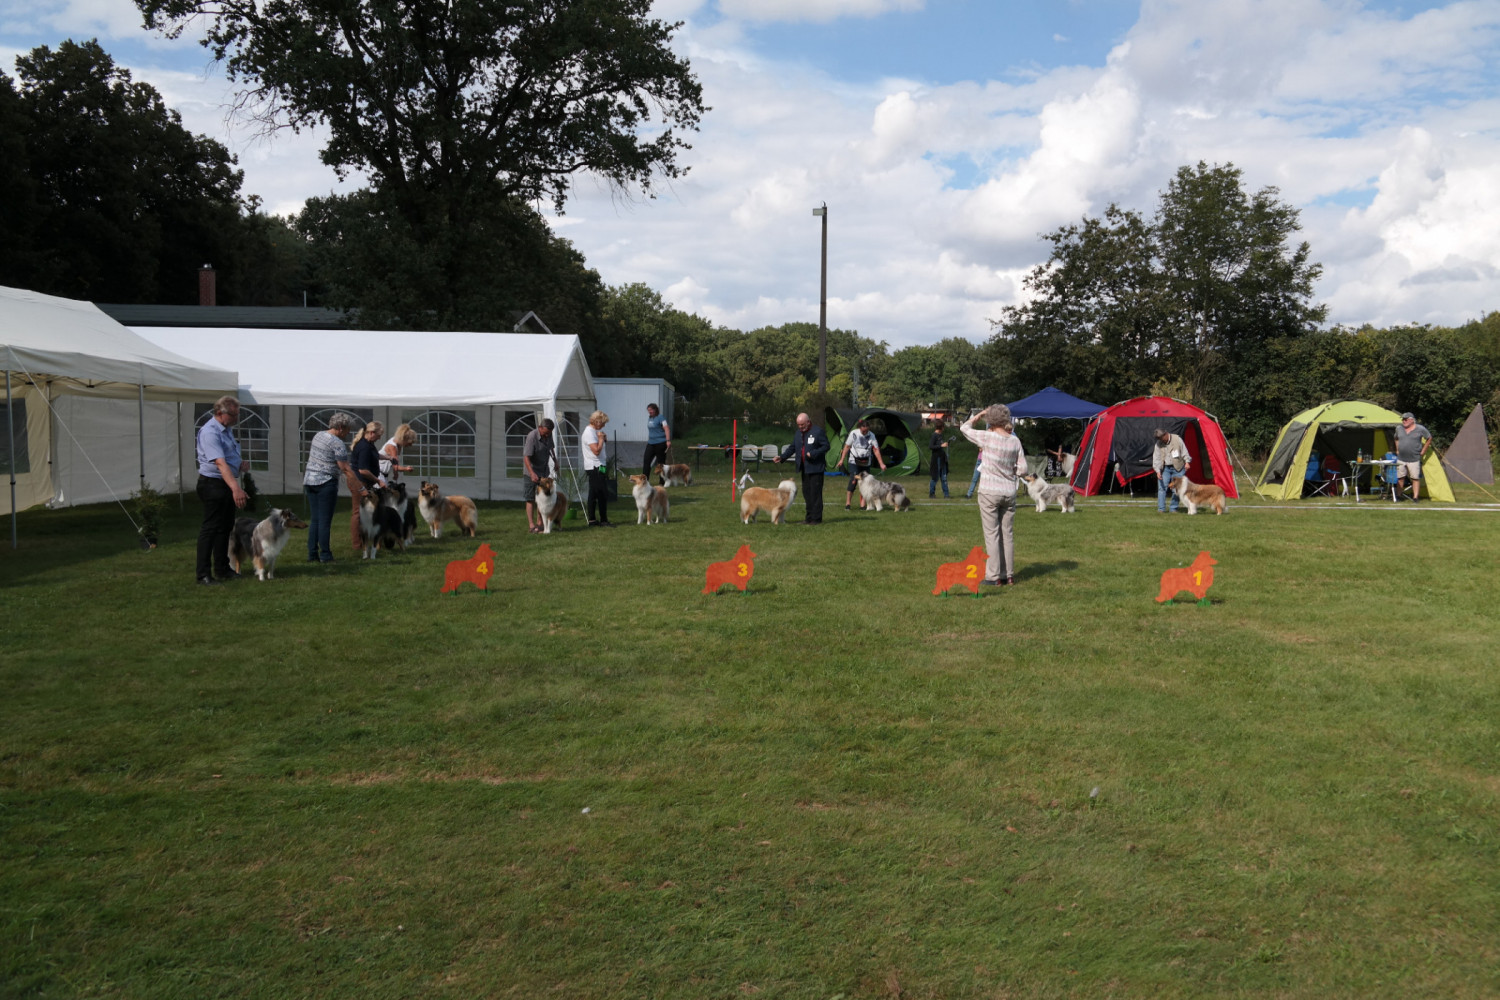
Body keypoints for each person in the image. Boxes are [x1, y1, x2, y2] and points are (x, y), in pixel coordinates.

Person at [960, 404, 1026, 586]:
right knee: (1007, 534)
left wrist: (980, 414)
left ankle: (993, 576)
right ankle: (1008, 575)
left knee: (992, 534)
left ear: (991, 420)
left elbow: (964, 428)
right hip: (1009, 492)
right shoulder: (1015, 441)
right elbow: (1023, 469)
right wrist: (1011, 471)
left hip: (989, 491)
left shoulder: (987, 437)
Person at [194, 395, 248, 585]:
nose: (236, 419)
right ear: (219, 413)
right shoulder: (210, 432)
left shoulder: (227, 430)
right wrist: (236, 489)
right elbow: (220, 463)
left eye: (237, 414)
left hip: (224, 483)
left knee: (225, 528)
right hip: (213, 484)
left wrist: (239, 464)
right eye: (233, 415)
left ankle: (222, 569)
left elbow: (228, 456)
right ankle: (203, 574)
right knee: (210, 529)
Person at [303, 411, 367, 562]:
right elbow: (345, 468)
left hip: (310, 481)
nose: (348, 433)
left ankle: (312, 554)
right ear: (340, 427)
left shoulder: (318, 435)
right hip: (326, 483)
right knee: (324, 521)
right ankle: (325, 555)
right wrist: (361, 489)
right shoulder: (337, 443)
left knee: (315, 520)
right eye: (347, 429)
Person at [774, 411, 830, 524]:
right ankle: (809, 518)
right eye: (798, 425)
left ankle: (816, 519)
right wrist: (782, 457)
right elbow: (792, 447)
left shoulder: (818, 431)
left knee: (815, 494)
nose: (800, 427)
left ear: (808, 422)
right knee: (807, 494)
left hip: (816, 468)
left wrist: (813, 453)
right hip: (804, 468)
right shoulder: (798, 433)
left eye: (802, 424)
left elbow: (826, 446)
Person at [349, 420, 386, 551]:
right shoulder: (364, 447)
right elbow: (363, 470)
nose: (379, 438)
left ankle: (364, 540)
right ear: (371, 433)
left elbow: (375, 455)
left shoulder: (369, 444)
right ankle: (357, 544)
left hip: (364, 482)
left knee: (363, 512)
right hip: (359, 482)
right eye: (379, 435)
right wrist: (378, 481)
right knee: (358, 512)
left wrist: (388, 458)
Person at [837, 417, 886, 509]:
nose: (865, 432)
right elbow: (847, 447)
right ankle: (848, 504)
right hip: (854, 461)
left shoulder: (871, 435)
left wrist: (881, 463)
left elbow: (876, 450)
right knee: (853, 481)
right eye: (863, 431)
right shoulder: (854, 434)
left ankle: (863, 505)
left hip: (866, 462)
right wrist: (841, 459)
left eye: (867, 430)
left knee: (866, 482)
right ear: (859, 428)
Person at [523, 418, 556, 534]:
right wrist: (532, 473)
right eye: (545, 433)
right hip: (531, 471)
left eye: (549, 433)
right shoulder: (532, 437)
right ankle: (532, 525)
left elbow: (551, 448)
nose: (547, 435)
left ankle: (540, 523)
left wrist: (555, 461)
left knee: (542, 499)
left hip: (543, 471)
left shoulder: (548, 434)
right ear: (540, 428)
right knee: (530, 498)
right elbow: (526, 457)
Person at [582, 410, 614, 526]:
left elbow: (600, 447)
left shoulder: (595, 431)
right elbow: (596, 451)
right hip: (594, 466)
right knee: (600, 492)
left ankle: (594, 519)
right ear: (597, 421)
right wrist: (600, 440)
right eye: (603, 423)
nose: (604, 425)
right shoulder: (589, 433)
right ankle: (601, 520)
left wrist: (603, 439)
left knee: (597, 492)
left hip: (601, 465)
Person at [1394, 411, 1432, 502]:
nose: (1404, 421)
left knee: (1415, 478)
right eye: (1403, 419)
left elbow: (1429, 438)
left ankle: (1415, 497)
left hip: (1414, 458)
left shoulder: (1420, 429)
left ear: (1412, 420)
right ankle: (1398, 496)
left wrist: (1424, 450)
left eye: (1406, 419)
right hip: (1401, 458)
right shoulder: (1399, 428)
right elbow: (1396, 438)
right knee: (1400, 477)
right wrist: (1397, 449)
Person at [1152, 426, 1191, 513]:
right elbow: (1156, 458)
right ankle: (1161, 509)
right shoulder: (1158, 444)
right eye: (1159, 439)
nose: (1161, 440)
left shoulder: (1177, 439)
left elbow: (1184, 451)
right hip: (1165, 468)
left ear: (1165, 434)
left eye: (1161, 438)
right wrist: (1157, 471)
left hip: (1178, 468)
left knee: (1176, 489)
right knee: (1162, 488)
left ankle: (1173, 508)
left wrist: (1187, 462)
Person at [642, 403, 671, 478]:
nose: (650, 412)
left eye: (651, 410)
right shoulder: (650, 418)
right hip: (651, 443)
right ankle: (644, 479)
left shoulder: (660, 417)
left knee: (661, 463)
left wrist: (668, 440)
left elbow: (666, 429)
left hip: (660, 443)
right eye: (648, 410)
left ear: (655, 409)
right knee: (646, 460)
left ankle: (662, 481)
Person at [928, 420, 950, 499]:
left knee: (944, 477)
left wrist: (944, 444)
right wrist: (941, 446)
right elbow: (931, 446)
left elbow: (940, 445)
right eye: (943, 427)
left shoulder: (940, 435)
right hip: (936, 459)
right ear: (941, 427)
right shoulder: (934, 435)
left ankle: (946, 494)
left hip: (942, 458)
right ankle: (932, 493)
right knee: (935, 477)